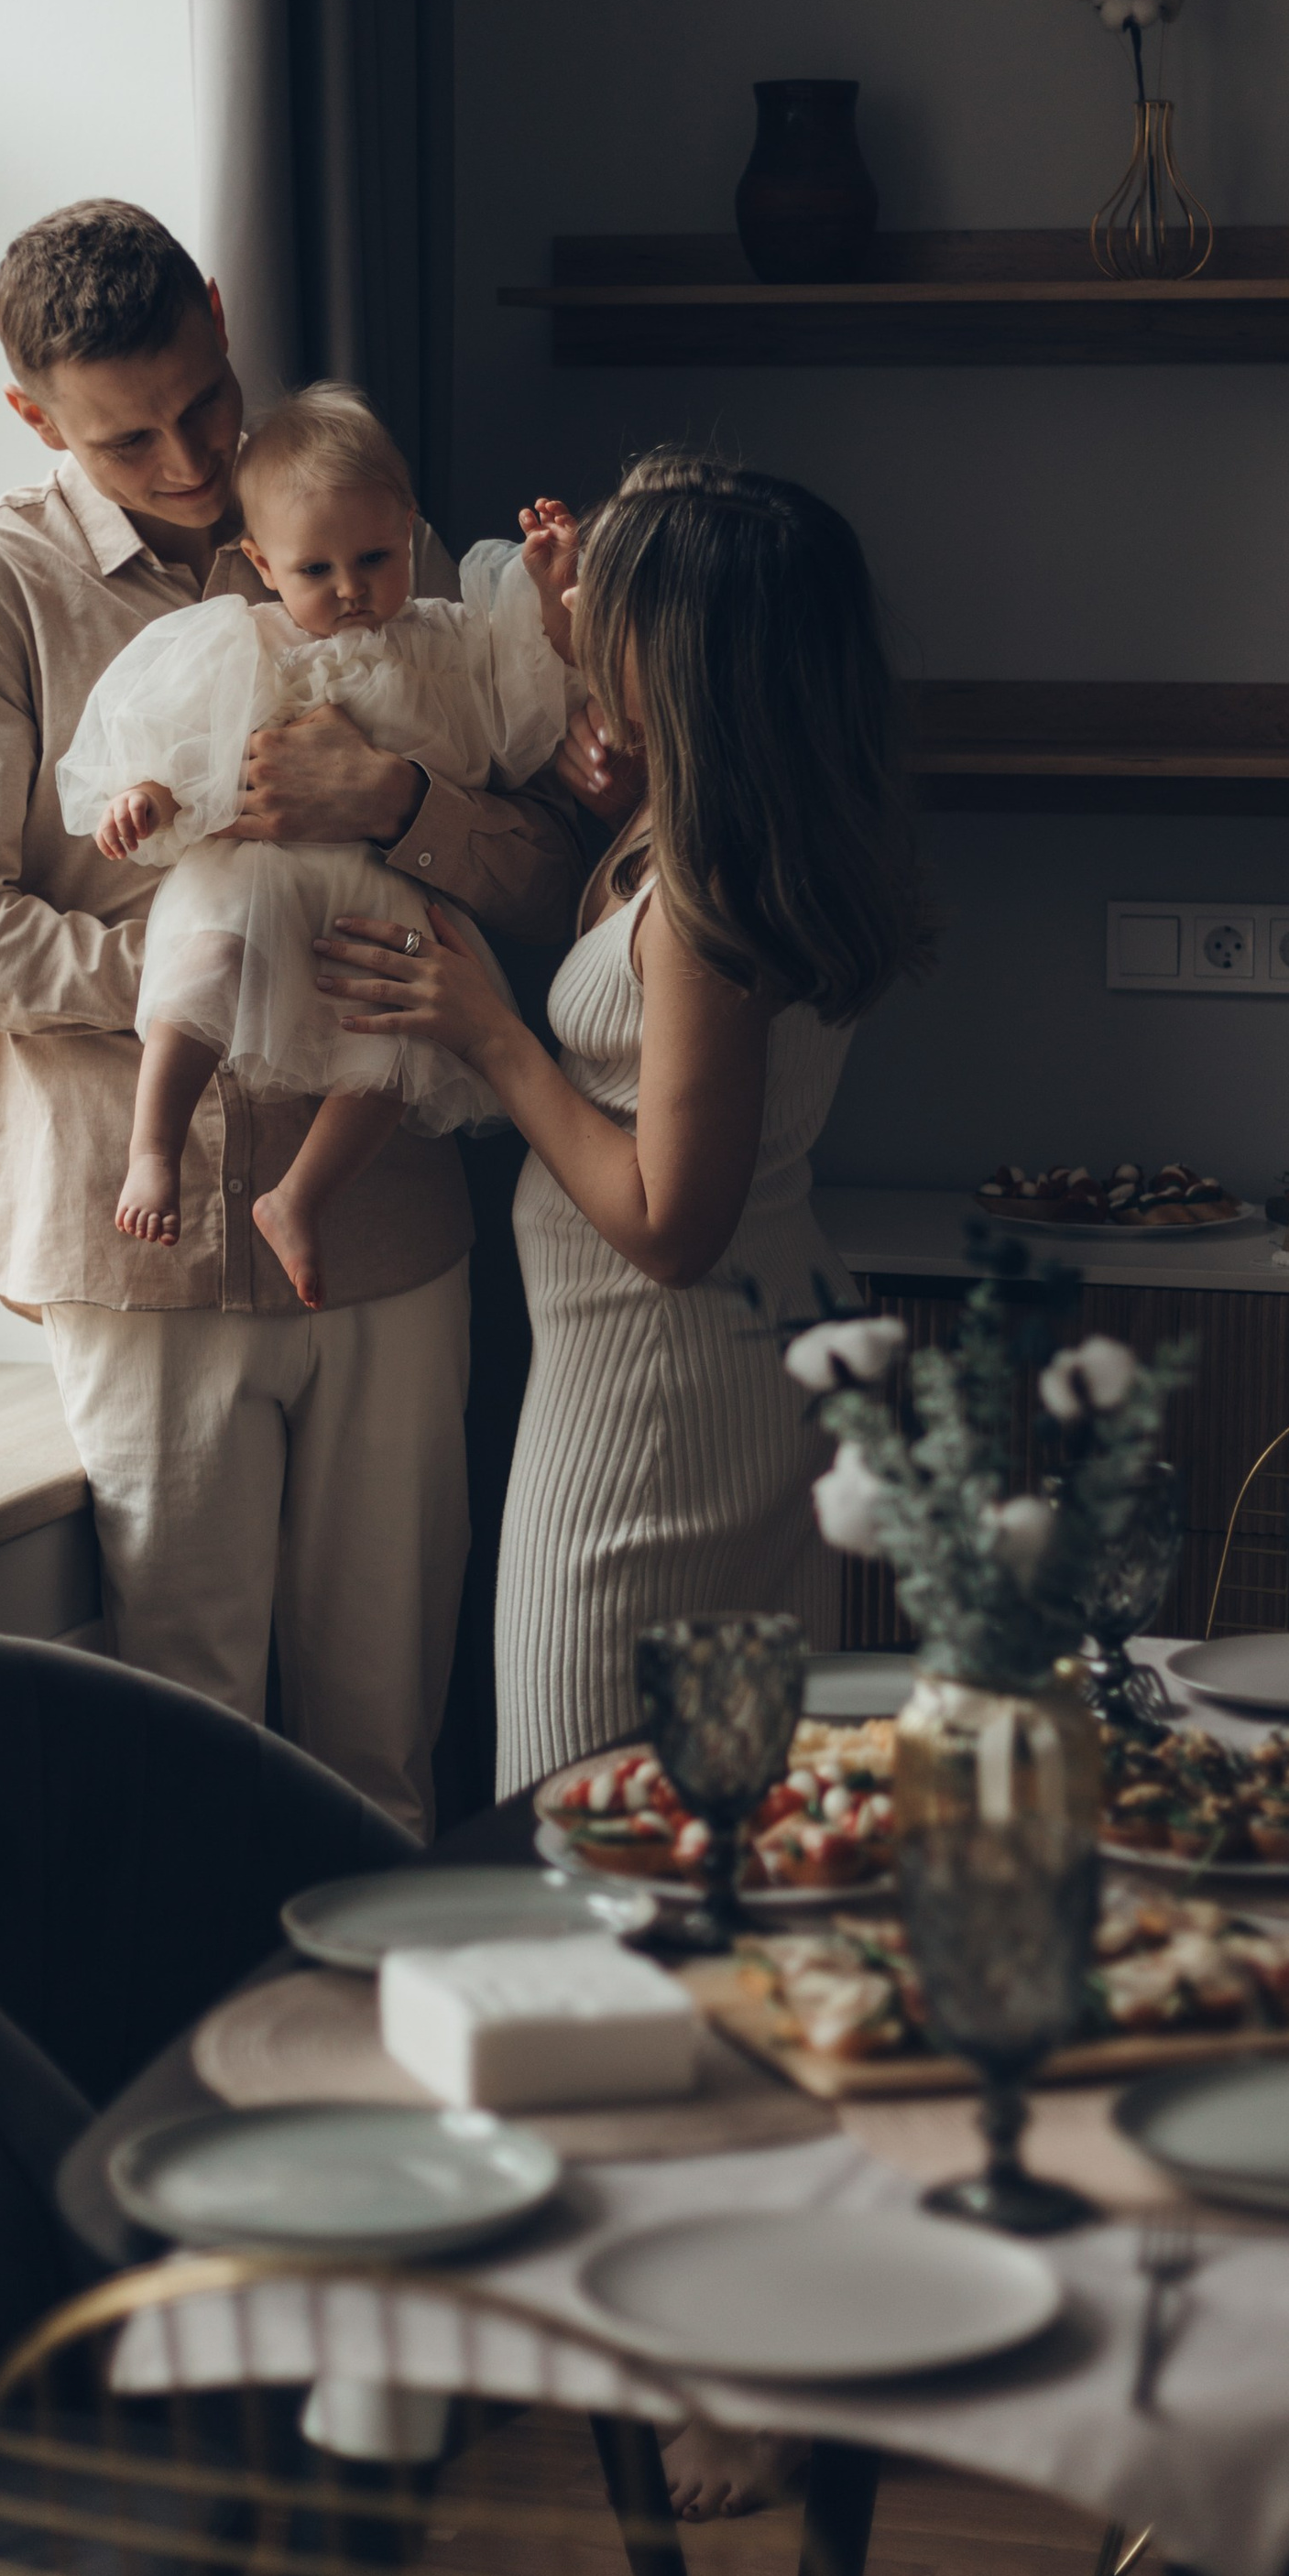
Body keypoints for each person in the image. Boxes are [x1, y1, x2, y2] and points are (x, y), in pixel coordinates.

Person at [0, 199, 589, 1839]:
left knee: (388, 1747)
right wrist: (241, 971)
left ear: (215, 310)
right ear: (35, 420)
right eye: (130, 436)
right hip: (148, 1248)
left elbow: (550, 881)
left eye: (204, 399)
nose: (193, 459)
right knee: (184, 1756)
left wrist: (398, 805)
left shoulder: (349, 523)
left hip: (395, 1226)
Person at [310, 451, 930, 1796]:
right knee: (730, 1809)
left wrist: (493, 1033)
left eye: (614, 606)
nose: (581, 615)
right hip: (719, 1373)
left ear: (686, 661)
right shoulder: (731, 822)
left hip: (651, 1401)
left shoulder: (708, 903)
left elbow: (670, 1225)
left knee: (575, 1817)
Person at [57, 380, 582, 1310]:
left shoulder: (451, 644)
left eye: (374, 558)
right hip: (254, 881)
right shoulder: (242, 642)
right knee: (202, 968)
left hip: (379, 888)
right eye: (314, 572)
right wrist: (141, 793)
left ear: (410, 528)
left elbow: (520, 718)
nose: (347, 591)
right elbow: (173, 736)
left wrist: (546, 602)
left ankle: (297, 1198)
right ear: (261, 563)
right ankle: (154, 1145)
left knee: (394, 1050)